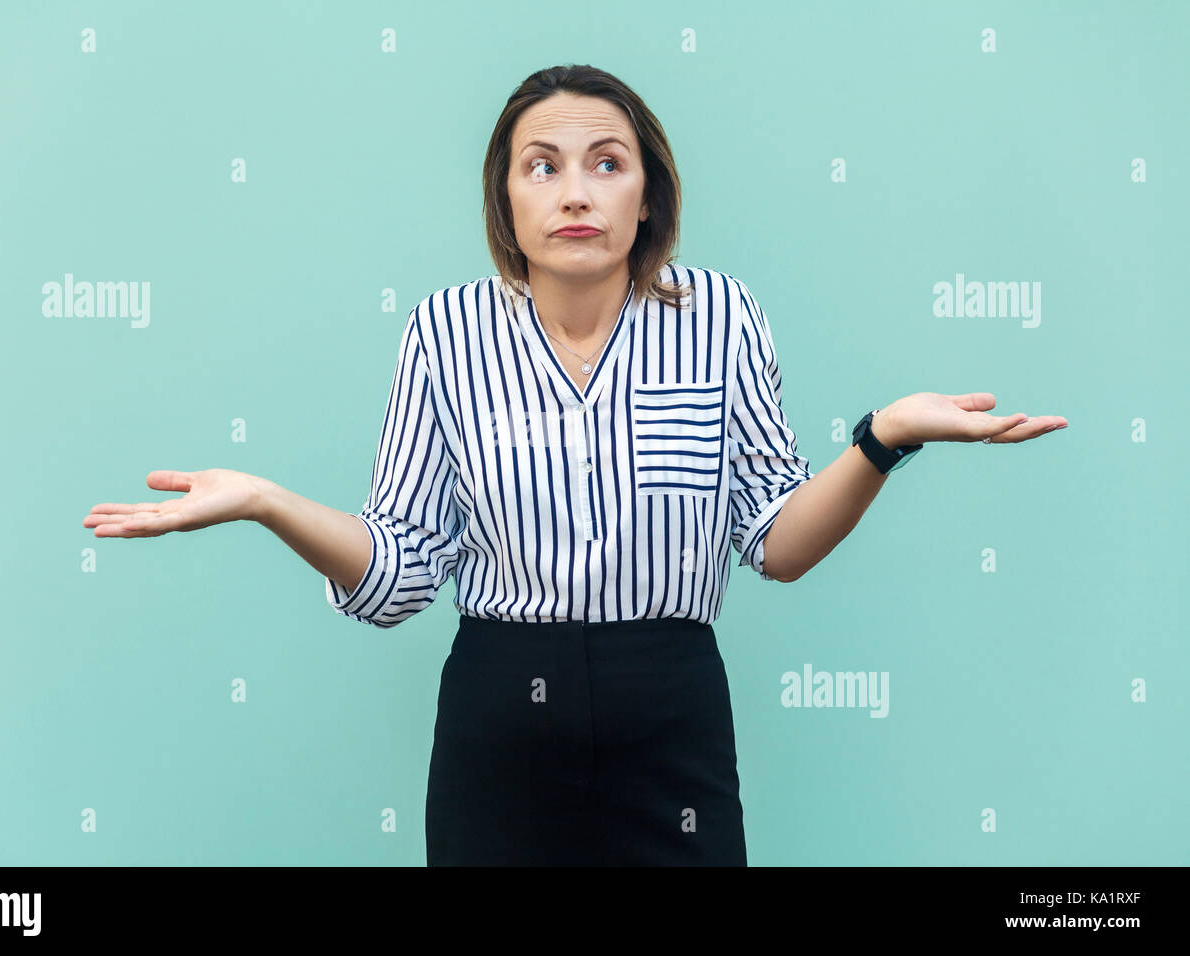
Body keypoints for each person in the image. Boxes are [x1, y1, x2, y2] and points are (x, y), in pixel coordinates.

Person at [83, 64, 1068, 866]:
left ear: (647, 195)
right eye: (541, 166)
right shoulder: (445, 332)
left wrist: (882, 436)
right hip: (500, 713)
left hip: (672, 706)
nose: (575, 191)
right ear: (505, 200)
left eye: (606, 162)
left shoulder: (721, 315)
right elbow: (398, 572)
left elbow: (777, 542)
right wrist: (264, 500)